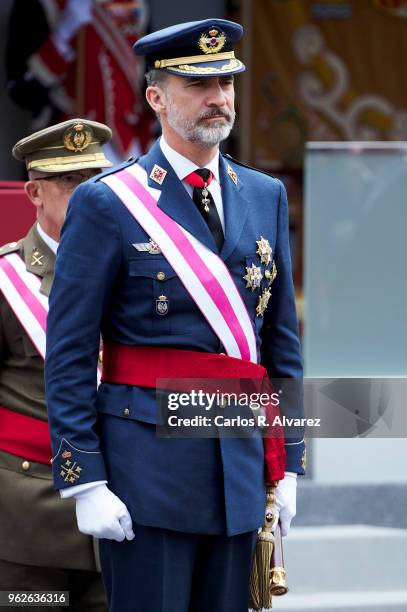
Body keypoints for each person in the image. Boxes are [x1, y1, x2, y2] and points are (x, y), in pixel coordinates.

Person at [45, 19, 306, 612]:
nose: (218, 98)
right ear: (156, 98)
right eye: (197, 84)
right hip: (146, 472)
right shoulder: (108, 200)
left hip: (240, 465)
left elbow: (281, 342)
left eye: (226, 82)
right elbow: (70, 350)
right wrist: (84, 477)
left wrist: (289, 460)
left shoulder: (263, 194)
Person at [0, 118, 113, 610]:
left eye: (94, 180)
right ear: (34, 192)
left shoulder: (137, 273)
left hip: (122, 513)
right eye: (69, 182)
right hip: (29, 519)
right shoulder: (6, 280)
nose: (86, 193)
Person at [6, 0, 153, 162]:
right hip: (64, 145)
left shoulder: (136, 5)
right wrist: (63, 34)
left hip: (130, 146)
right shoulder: (44, 5)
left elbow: (150, 78)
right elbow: (21, 90)